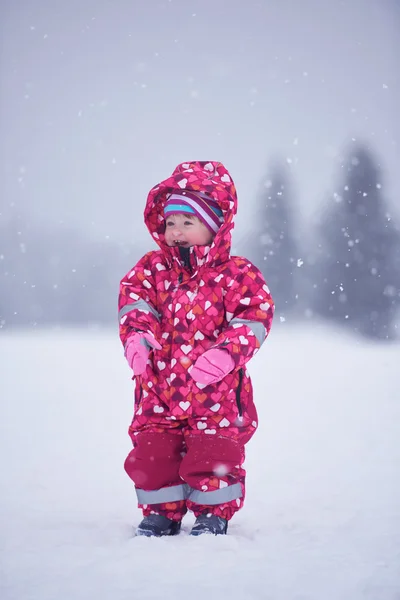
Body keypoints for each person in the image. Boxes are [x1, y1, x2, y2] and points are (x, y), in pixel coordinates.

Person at [118, 161, 274, 537]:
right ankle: (160, 512)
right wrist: (136, 339)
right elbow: (135, 304)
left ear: (215, 226)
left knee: (215, 453)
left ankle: (212, 513)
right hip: (158, 384)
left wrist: (226, 355)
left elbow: (254, 319)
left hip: (216, 390)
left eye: (188, 222)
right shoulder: (152, 269)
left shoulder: (238, 274)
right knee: (153, 451)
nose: (176, 231)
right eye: (171, 223)